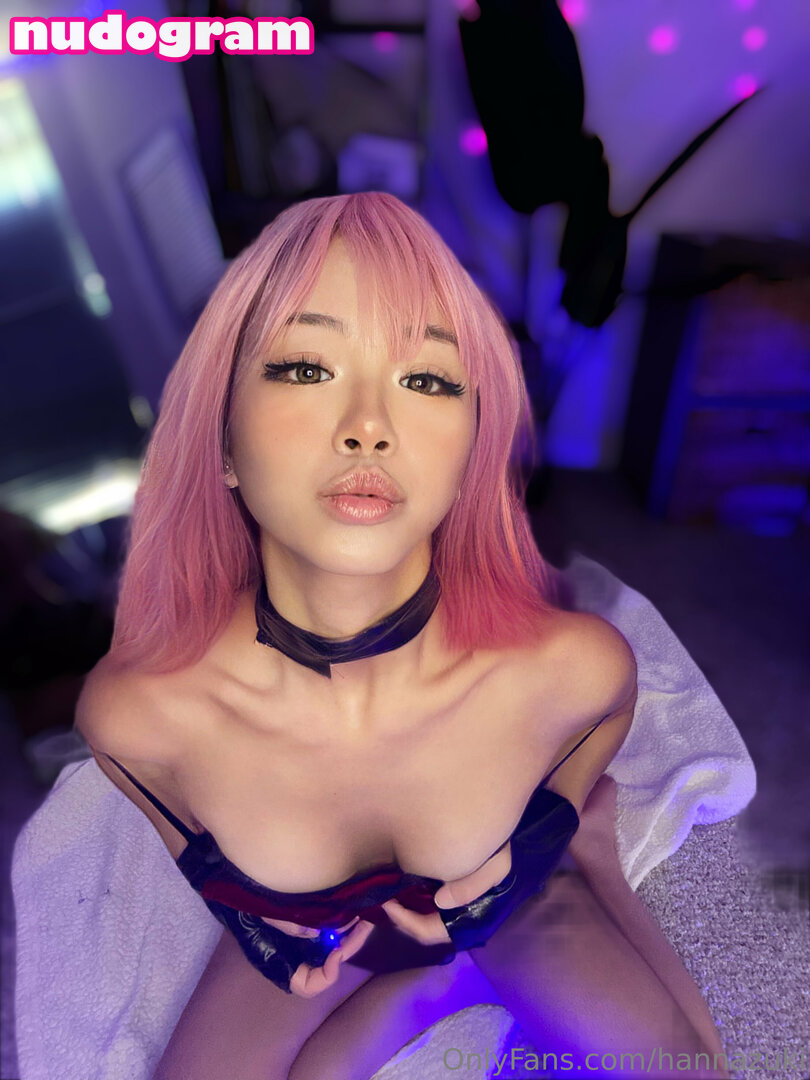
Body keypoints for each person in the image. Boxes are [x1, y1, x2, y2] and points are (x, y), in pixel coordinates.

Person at [75, 192, 729, 1080]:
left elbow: (607, 711)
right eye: (305, 367)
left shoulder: (565, 667)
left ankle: (586, 862)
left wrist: (558, 824)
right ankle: (436, 986)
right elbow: (174, 824)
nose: (369, 427)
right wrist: (241, 913)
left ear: (467, 455)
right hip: (331, 937)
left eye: (426, 381)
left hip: (513, 907)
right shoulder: (139, 715)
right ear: (221, 440)